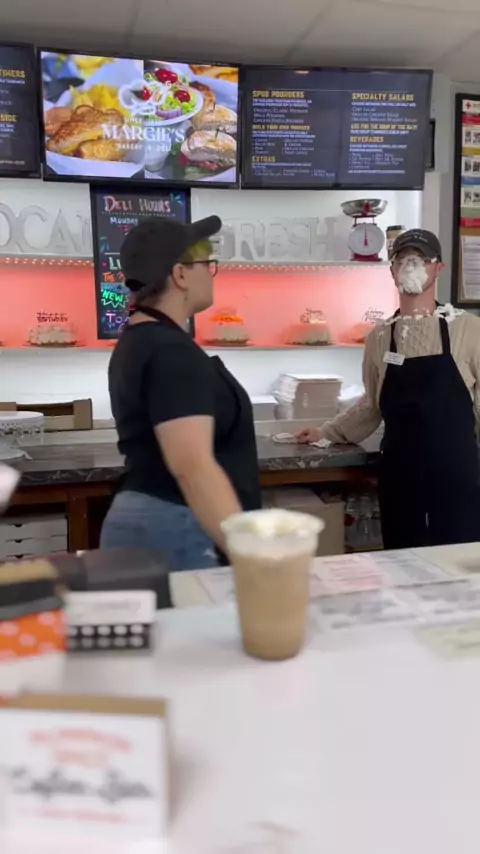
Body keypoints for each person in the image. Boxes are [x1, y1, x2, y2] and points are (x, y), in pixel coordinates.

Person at [296, 228, 480, 549]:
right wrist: (328, 432)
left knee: (457, 565)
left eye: (422, 258)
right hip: (400, 476)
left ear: (438, 268)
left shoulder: (468, 329)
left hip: (457, 476)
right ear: (391, 270)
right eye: (402, 258)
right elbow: (372, 405)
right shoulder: (380, 338)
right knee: (402, 562)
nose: (411, 264)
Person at [100, 215, 261, 570]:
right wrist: (251, 554)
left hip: (149, 521)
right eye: (207, 264)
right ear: (181, 275)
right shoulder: (171, 351)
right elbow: (192, 466)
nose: (212, 274)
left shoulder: (137, 341)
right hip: (179, 529)